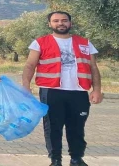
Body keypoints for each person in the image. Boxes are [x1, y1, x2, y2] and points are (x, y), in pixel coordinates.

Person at [22, 11, 103, 166]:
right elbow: (29, 65)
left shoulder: (85, 43)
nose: (60, 23)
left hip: (79, 92)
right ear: (50, 24)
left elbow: (93, 67)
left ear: (70, 23)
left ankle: (76, 159)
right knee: (53, 127)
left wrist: (97, 89)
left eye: (64, 20)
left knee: (77, 127)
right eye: (56, 21)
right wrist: (26, 86)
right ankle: (55, 160)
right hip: (51, 91)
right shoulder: (40, 42)